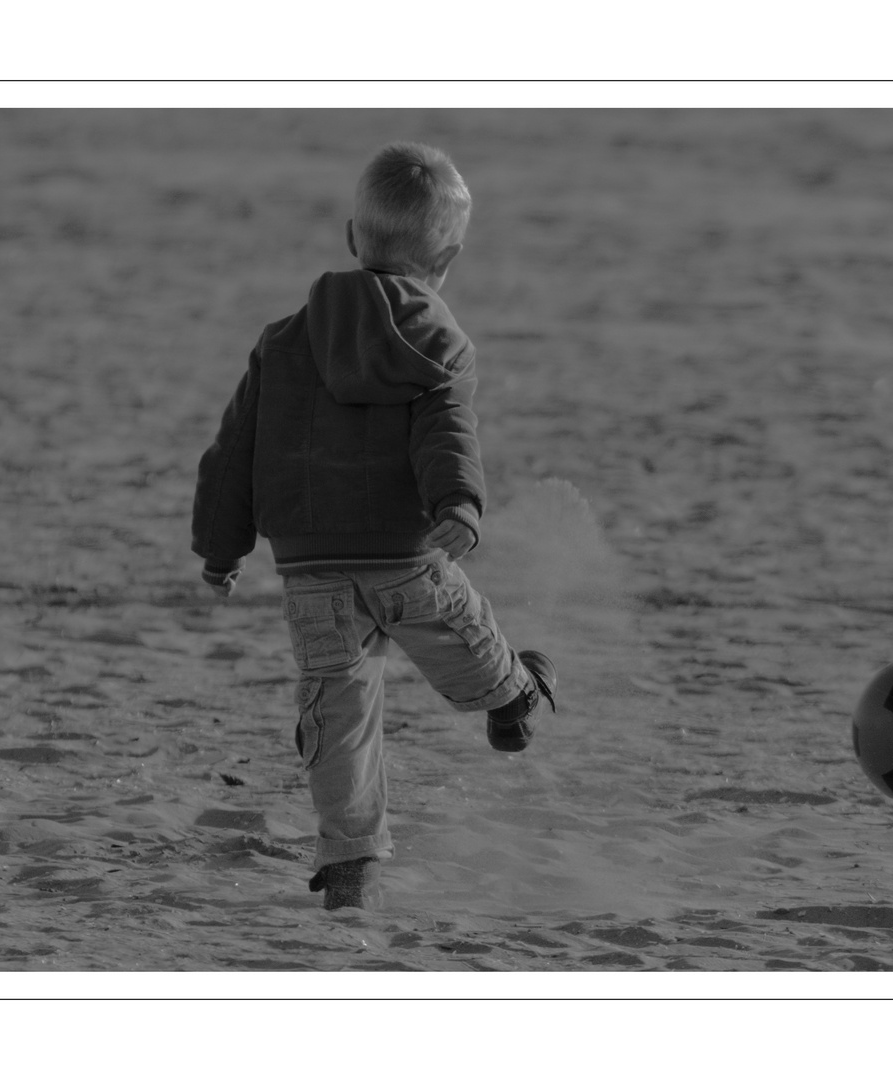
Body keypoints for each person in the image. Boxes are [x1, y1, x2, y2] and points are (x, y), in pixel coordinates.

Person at [191, 142, 556, 911]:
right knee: (462, 635)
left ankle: (350, 868)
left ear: (352, 236)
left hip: (312, 572)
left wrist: (220, 548)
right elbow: (446, 433)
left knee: (338, 709)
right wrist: (459, 505)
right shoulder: (440, 342)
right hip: (404, 555)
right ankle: (514, 698)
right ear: (449, 256)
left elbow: (233, 454)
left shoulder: (282, 341)